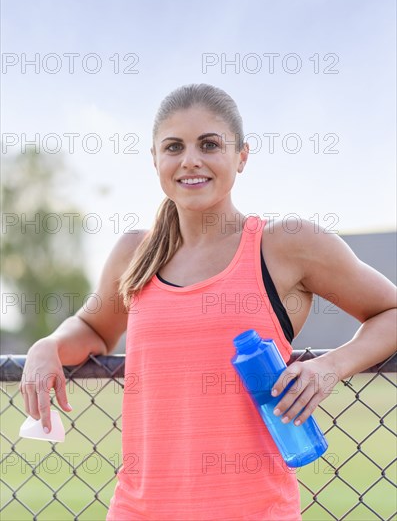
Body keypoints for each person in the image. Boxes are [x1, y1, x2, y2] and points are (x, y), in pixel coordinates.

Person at [20, 83, 396, 520]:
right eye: (174, 146)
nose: (190, 160)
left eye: (210, 144)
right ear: (155, 160)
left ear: (242, 156)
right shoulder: (134, 252)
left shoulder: (288, 245)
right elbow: (94, 330)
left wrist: (329, 367)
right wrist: (48, 344)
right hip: (138, 510)